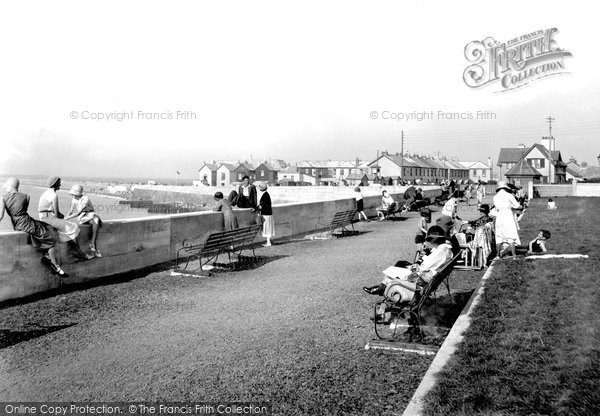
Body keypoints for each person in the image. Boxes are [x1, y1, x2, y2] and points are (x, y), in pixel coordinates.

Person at [363, 226, 453, 303]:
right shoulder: (445, 249)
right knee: (400, 265)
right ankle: (381, 287)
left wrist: (414, 267)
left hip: (419, 280)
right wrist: (416, 265)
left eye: (429, 240)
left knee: (393, 269)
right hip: (427, 277)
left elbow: (424, 267)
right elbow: (428, 264)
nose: (427, 243)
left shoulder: (439, 252)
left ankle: (381, 288)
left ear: (433, 240)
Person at [0, 177, 65, 276]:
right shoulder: (26, 196)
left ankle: (49, 259)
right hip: (26, 222)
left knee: (48, 229)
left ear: (9, 186)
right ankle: (55, 265)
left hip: (20, 224)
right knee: (49, 233)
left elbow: (0, 216)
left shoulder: (3, 198)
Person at [38, 176, 93, 261]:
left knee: (67, 227)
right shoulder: (54, 195)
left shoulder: (46, 193)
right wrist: (63, 217)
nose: (60, 184)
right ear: (55, 184)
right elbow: (57, 214)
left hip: (44, 217)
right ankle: (78, 252)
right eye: (59, 183)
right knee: (73, 226)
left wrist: (63, 217)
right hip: (49, 218)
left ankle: (74, 251)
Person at [65, 184, 102, 257]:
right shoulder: (74, 199)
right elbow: (71, 210)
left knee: (96, 220)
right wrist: (66, 217)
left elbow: (78, 212)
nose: (72, 195)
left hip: (90, 214)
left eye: (73, 193)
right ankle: (93, 245)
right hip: (83, 217)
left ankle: (93, 243)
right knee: (96, 220)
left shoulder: (85, 199)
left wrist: (67, 218)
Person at [492, 181, 522, 259]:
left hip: (499, 216)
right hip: (508, 215)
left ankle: (498, 255)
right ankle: (514, 255)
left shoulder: (495, 197)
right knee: (510, 235)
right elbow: (518, 206)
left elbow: (497, 208)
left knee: (499, 236)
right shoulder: (509, 195)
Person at [257, 182, 274, 247]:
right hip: (268, 214)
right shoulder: (266, 194)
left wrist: (257, 208)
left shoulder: (265, 195)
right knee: (268, 228)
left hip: (266, 214)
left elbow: (262, 205)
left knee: (267, 228)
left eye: (259, 187)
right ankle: (268, 242)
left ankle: (268, 242)